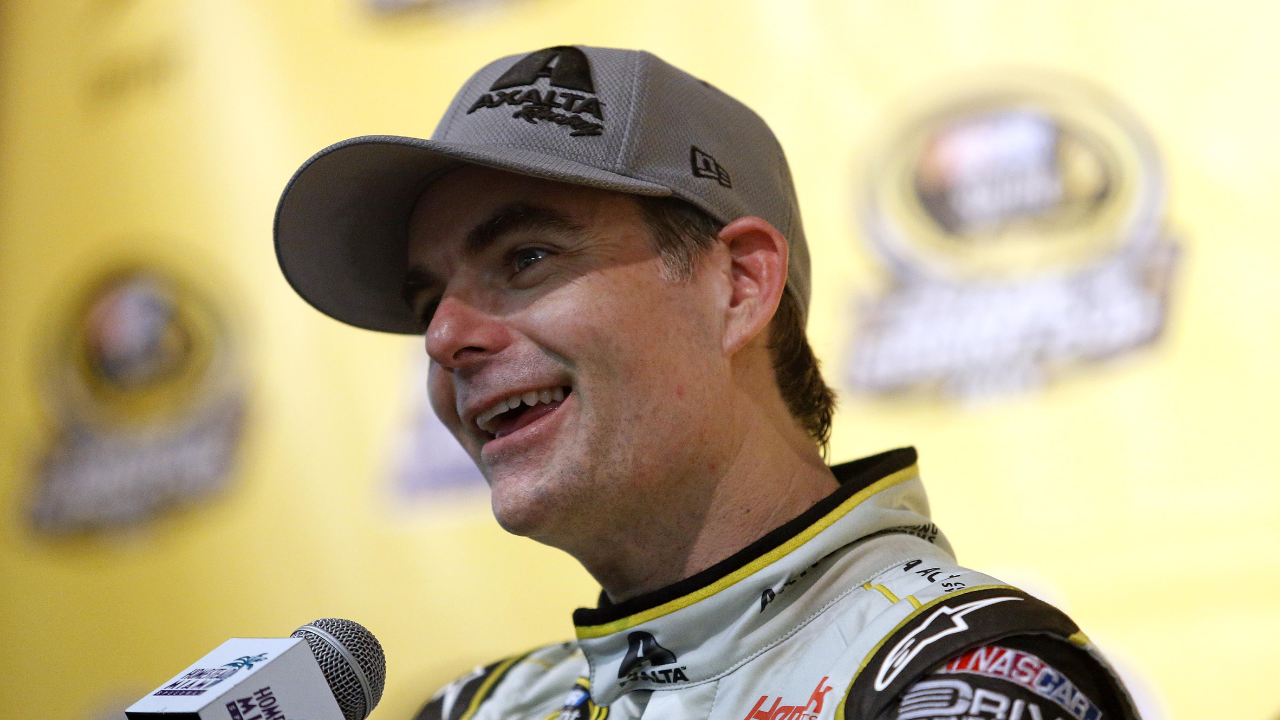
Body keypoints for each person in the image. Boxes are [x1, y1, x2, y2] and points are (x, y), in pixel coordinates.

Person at [274, 46, 1141, 720]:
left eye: (527, 257)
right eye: (427, 300)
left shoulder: (963, 680)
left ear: (739, 287)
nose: (442, 337)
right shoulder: (481, 709)